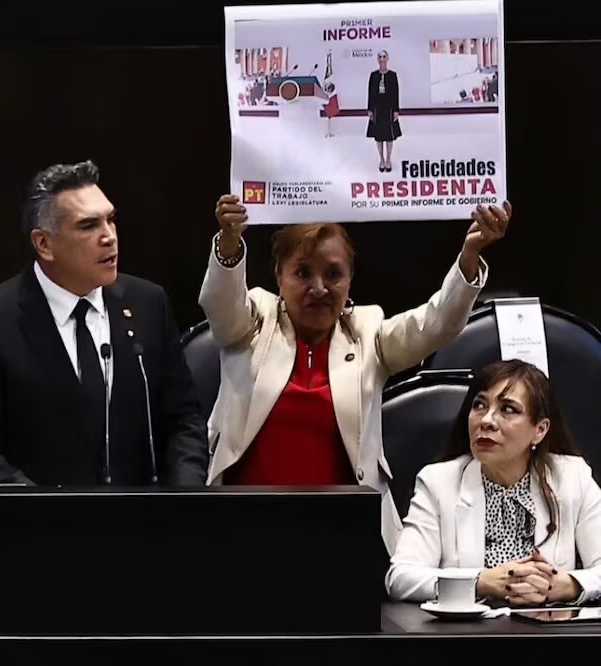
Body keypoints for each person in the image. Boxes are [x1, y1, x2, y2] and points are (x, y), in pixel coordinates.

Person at [201, 195, 511, 554]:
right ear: (278, 276)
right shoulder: (253, 322)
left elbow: (435, 324)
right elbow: (221, 305)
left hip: (344, 538)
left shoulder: (367, 331)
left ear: (350, 281)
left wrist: (470, 256)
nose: (318, 288)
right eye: (302, 272)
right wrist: (228, 240)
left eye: (333, 274)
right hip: (245, 529)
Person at [0, 159, 208, 486]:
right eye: (88, 226)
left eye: (111, 220)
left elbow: (184, 420)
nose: (109, 237)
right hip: (38, 528)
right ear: (44, 244)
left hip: (143, 525)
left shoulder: (148, 305)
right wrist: (40, 510)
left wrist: (186, 499)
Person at [386, 360, 601, 605]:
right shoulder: (438, 481)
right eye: (479, 405)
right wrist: (481, 581)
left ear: (539, 430)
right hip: (468, 638)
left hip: (549, 635)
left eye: (508, 409)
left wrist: (568, 586)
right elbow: (401, 578)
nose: (486, 420)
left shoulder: (573, 477)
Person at [367, 50, 401, 172]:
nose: (382, 59)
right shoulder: (373, 75)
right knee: (379, 137)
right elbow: (370, 93)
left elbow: (396, 93)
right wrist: (370, 109)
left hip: (389, 109)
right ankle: (381, 159)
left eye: (384, 56)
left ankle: (388, 159)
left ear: (387, 58)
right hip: (377, 109)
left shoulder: (392, 75)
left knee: (389, 136)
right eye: (380, 57)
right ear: (377, 59)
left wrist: (396, 110)